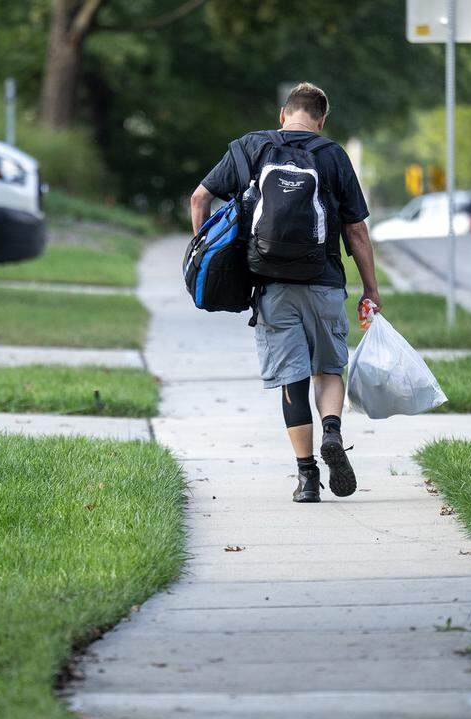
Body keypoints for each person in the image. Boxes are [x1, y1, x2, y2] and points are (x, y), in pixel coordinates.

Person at [189, 82, 383, 503]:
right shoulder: (332, 156)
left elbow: (200, 197)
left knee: (291, 378)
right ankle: (332, 430)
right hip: (325, 282)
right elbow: (356, 230)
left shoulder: (250, 148)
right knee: (329, 369)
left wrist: (205, 250)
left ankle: (307, 478)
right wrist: (370, 287)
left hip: (271, 286)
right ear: (322, 120)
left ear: (284, 114)